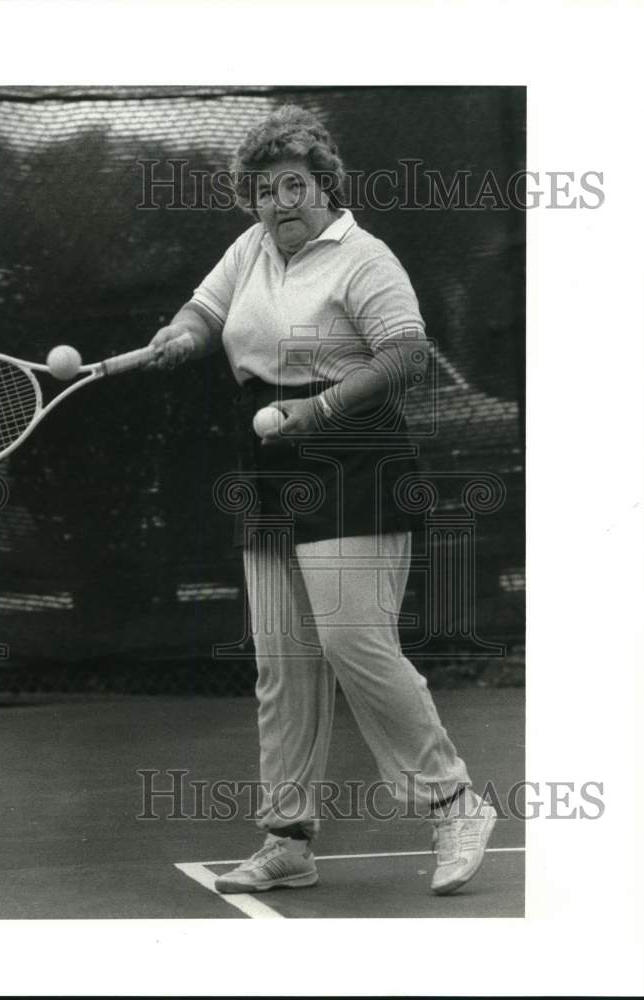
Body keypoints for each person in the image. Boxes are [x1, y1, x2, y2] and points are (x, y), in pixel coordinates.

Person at [149, 105, 496, 896]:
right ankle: (287, 839)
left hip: (353, 454)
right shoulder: (250, 248)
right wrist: (178, 333)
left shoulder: (364, 258)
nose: (280, 203)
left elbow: (406, 356)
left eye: (294, 185)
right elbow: (204, 312)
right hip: (268, 461)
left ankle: (453, 801)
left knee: (352, 643)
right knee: (282, 661)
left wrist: (320, 409)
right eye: (265, 190)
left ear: (324, 184)